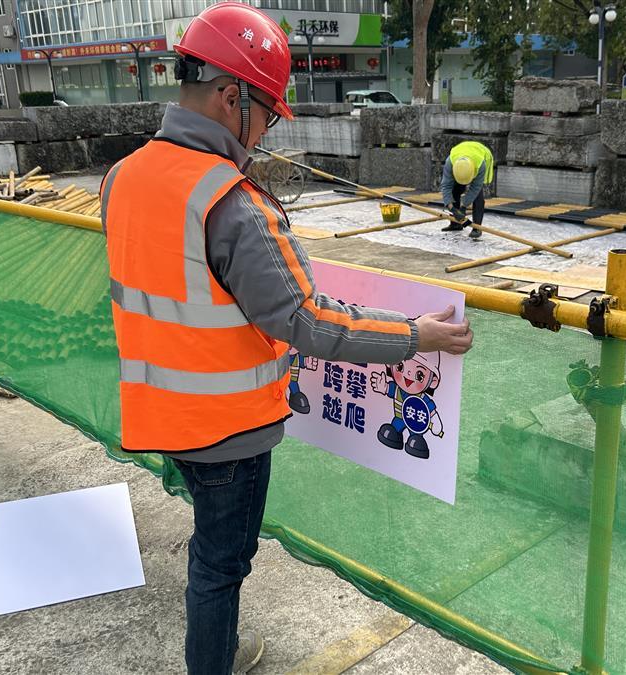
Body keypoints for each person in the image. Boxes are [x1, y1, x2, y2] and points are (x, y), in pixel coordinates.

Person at [99, 4, 473, 674]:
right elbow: (309, 320)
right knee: (220, 567)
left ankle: (216, 648)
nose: (267, 129)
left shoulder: (121, 177)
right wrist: (415, 335)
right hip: (229, 432)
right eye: (267, 112)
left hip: (161, 415)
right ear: (230, 96)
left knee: (209, 554)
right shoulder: (231, 203)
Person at [440, 140, 495, 240]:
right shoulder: (450, 163)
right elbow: (446, 186)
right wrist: (452, 208)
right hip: (462, 153)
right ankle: (455, 223)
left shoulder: (480, 165)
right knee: (455, 189)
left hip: (482, 155)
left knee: (478, 196)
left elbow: (475, 188)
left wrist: (463, 206)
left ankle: (477, 228)